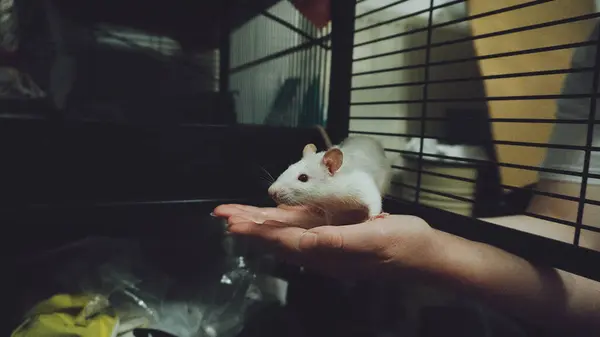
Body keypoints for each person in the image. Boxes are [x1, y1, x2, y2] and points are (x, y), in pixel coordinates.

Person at [213, 23, 600, 337]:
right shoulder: (591, 56)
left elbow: (367, 193)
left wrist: (388, 224)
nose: (277, 189)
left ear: (333, 166)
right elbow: (565, 229)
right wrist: (439, 250)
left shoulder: (347, 178)